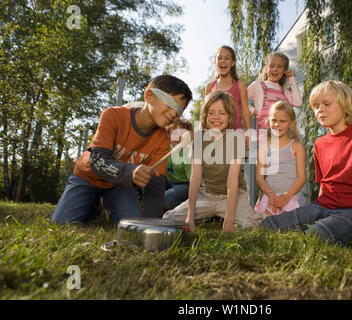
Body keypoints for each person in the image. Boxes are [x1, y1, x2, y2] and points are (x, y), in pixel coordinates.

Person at [260, 80, 352, 247]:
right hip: (322, 206)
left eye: (326, 104)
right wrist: (314, 213)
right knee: (269, 225)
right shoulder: (320, 144)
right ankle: (316, 223)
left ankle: (324, 228)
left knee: (315, 235)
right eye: (316, 106)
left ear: (345, 105)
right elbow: (324, 185)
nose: (320, 110)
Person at [51, 75, 192, 224]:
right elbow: (98, 161)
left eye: (178, 111)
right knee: (62, 222)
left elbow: (155, 189)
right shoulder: (113, 115)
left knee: (132, 224)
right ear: (149, 96)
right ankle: (93, 204)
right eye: (170, 104)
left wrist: (151, 226)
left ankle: (106, 204)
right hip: (87, 177)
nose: (173, 114)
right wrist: (131, 172)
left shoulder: (163, 139)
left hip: (119, 185)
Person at [163, 91, 266, 232]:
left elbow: (232, 180)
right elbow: (196, 177)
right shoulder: (199, 138)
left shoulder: (236, 139)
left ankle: (224, 216)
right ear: (205, 115)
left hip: (233, 195)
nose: (216, 117)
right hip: (207, 195)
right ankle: (212, 215)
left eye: (222, 113)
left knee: (250, 226)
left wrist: (229, 220)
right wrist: (190, 216)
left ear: (230, 116)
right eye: (211, 113)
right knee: (170, 220)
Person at [254, 101, 306, 216]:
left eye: (282, 121)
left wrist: (287, 196)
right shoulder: (263, 147)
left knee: (288, 225)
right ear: (269, 121)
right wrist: (271, 194)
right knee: (263, 224)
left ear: (291, 123)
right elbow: (259, 178)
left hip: (290, 197)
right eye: (274, 120)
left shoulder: (296, 146)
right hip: (269, 197)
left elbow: (302, 177)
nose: (277, 125)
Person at [247, 52, 302, 130]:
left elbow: (298, 103)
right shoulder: (257, 85)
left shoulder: (284, 91)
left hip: (284, 132)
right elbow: (239, 98)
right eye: (271, 66)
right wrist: (252, 110)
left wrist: (291, 79)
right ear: (266, 68)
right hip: (265, 130)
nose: (275, 69)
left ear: (284, 71)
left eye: (279, 66)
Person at [205, 45, 251, 132]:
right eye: (219, 58)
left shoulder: (240, 85)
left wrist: (248, 132)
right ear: (215, 62)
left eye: (227, 58)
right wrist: (203, 132)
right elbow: (205, 113)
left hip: (236, 132)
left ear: (233, 62)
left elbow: (245, 110)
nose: (222, 61)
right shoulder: (210, 86)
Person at [164, 118, 194, 211]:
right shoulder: (165, 148)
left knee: (167, 199)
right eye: (175, 134)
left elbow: (193, 180)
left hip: (186, 185)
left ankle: (185, 207)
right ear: (169, 134)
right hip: (169, 182)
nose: (178, 137)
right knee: (148, 180)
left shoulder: (188, 151)